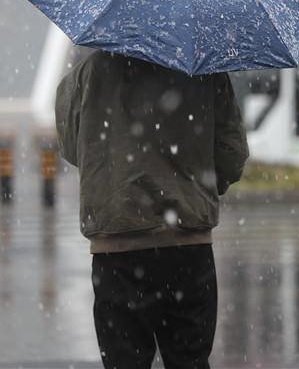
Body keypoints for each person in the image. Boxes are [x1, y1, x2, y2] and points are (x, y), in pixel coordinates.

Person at [55, 51, 249, 369]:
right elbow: (231, 153)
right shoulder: (204, 69)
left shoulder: (87, 73)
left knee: (124, 362)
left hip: (117, 244)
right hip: (187, 244)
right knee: (190, 361)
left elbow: (72, 145)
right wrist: (199, 185)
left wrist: (114, 169)